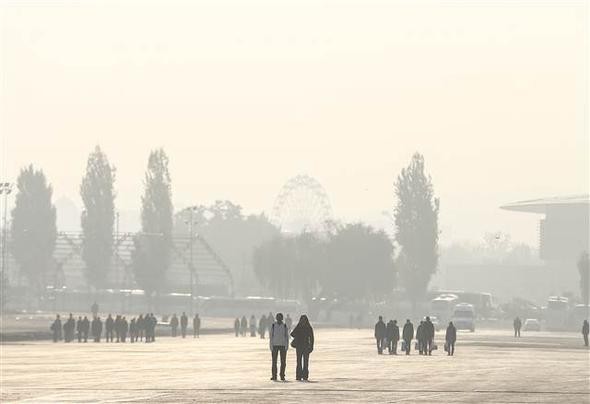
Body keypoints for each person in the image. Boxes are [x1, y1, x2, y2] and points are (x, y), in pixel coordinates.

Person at [290, 315, 314, 381]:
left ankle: (303, 376)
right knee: (300, 362)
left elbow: (312, 338)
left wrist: (311, 346)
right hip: (301, 346)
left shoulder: (307, 327)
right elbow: (292, 334)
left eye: (304, 320)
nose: (303, 321)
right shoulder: (303, 327)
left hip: (304, 346)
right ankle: (300, 376)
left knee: (304, 362)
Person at [269, 313, 289, 381]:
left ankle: (282, 375)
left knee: (283, 362)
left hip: (283, 345)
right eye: (278, 317)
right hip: (275, 345)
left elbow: (287, 336)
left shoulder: (285, 326)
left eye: (280, 317)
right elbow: (271, 336)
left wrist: (287, 346)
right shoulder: (273, 325)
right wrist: (271, 346)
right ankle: (274, 375)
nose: (279, 319)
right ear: (276, 318)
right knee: (274, 362)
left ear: (282, 318)